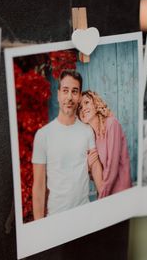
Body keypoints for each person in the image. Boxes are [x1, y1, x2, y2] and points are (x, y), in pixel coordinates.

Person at [31, 70, 102, 220]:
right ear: (58, 94)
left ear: (79, 96)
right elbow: (38, 186)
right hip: (56, 217)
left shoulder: (87, 131)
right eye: (65, 91)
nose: (69, 97)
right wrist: (38, 228)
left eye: (74, 91)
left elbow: (95, 166)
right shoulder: (43, 135)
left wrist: (104, 199)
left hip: (85, 213)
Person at [78, 90, 132, 198]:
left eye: (86, 102)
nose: (83, 108)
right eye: (80, 107)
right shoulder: (91, 137)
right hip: (106, 194)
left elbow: (112, 166)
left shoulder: (111, 123)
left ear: (96, 104)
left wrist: (102, 198)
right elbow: (97, 173)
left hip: (121, 192)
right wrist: (88, 167)